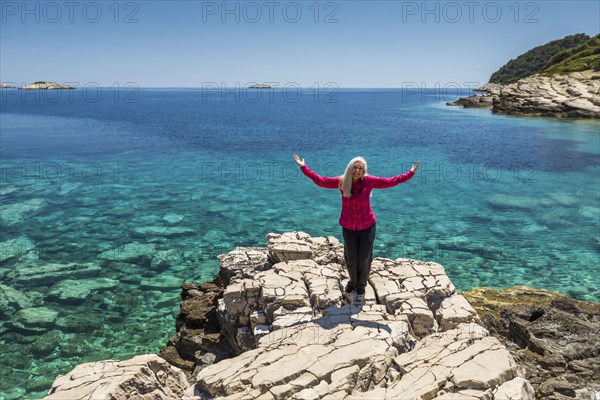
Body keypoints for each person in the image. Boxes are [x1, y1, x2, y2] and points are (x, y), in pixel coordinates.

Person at [293, 154, 420, 303]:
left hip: (368, 225)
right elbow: (320, 181)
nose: (357, 170)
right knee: (351, 258)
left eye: (360, 168)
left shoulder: (369, 181)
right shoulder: (342, 182)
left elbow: (390, 182)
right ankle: (352, 282)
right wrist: (303, 167)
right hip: (348, 226)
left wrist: (409, 174)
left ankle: (361, 286)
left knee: (365, 258)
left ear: (363, 170)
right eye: (355, 167)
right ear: (350, 168)